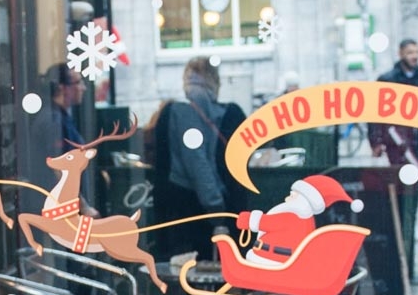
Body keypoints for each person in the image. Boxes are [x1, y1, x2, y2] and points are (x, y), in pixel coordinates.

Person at [150, 57, 246, 261]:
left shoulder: (180, 110)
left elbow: (195, 158)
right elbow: (197, 161)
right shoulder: (196, 112)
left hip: (178, 207)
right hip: (198, 208)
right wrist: (217, 207)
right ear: (214, 81)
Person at [367, 38, 418, 278]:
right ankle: (396, 246)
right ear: (401, 53)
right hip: (394, 147)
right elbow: (374, 113)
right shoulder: (387, 80)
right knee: (395, 194)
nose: (414, 55)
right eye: (410, 52)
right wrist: (376, 141)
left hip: (416, 148)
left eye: (417, 51)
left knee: (412, 194)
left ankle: (406, 244)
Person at [20, 63, 97, 217]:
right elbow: (60, 169)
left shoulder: (61, 117)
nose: (83, 88)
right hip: (58, 210)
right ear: (62, 88)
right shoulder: (53, 120)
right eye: (78, 82)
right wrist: (83, 207)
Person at [235, 174, 362, 266]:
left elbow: (267, 223)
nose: (287, 198)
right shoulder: (304, 218)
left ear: (303, 200)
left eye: (292, 196)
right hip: (282, 260)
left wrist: (247, 219)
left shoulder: (293, 217)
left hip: (275, 260)